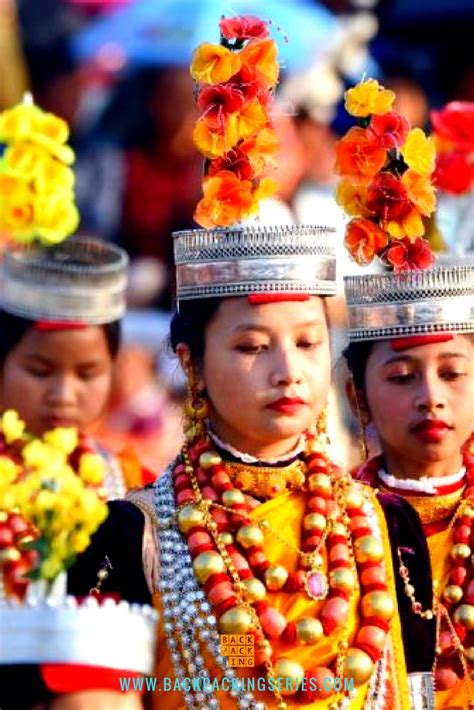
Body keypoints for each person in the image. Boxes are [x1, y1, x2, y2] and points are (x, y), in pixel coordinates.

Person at [344, 263, 474, 709]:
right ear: (357, 398)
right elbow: (247, 656)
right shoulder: (326, 526)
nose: (431, 397)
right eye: (402, 377)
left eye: (453, 374)